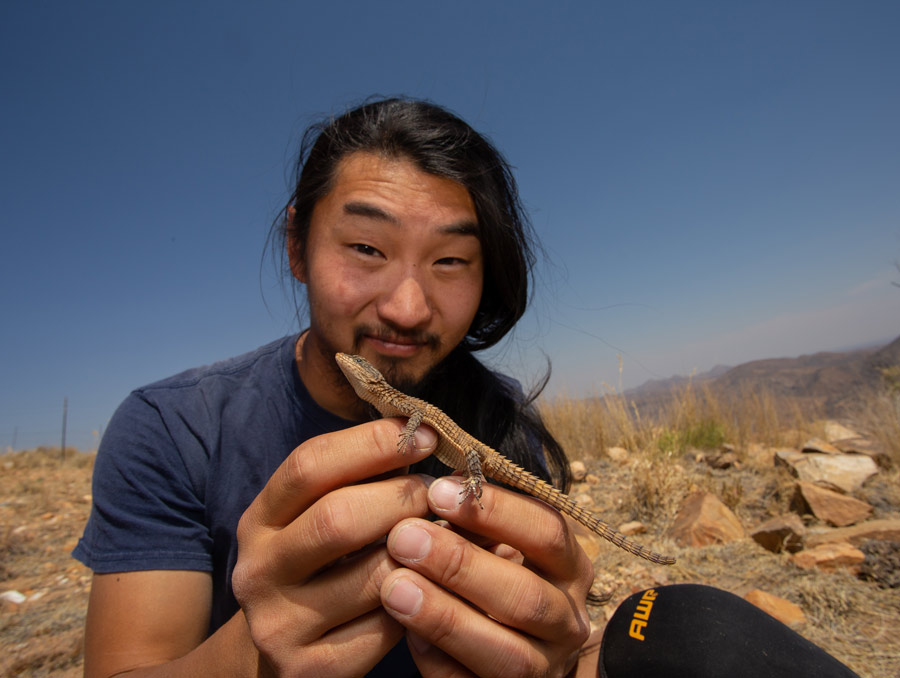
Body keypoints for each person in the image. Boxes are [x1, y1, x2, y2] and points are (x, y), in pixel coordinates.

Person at [74, 97, 858, 678]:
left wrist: (550, 646)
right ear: (296, 247)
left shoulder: (495, 417)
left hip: (479, 475)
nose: (408, 306)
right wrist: (251, 653)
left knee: (701, 632)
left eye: (451, 260)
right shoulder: (170, 428)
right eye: (365, 247)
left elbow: (548, 617)